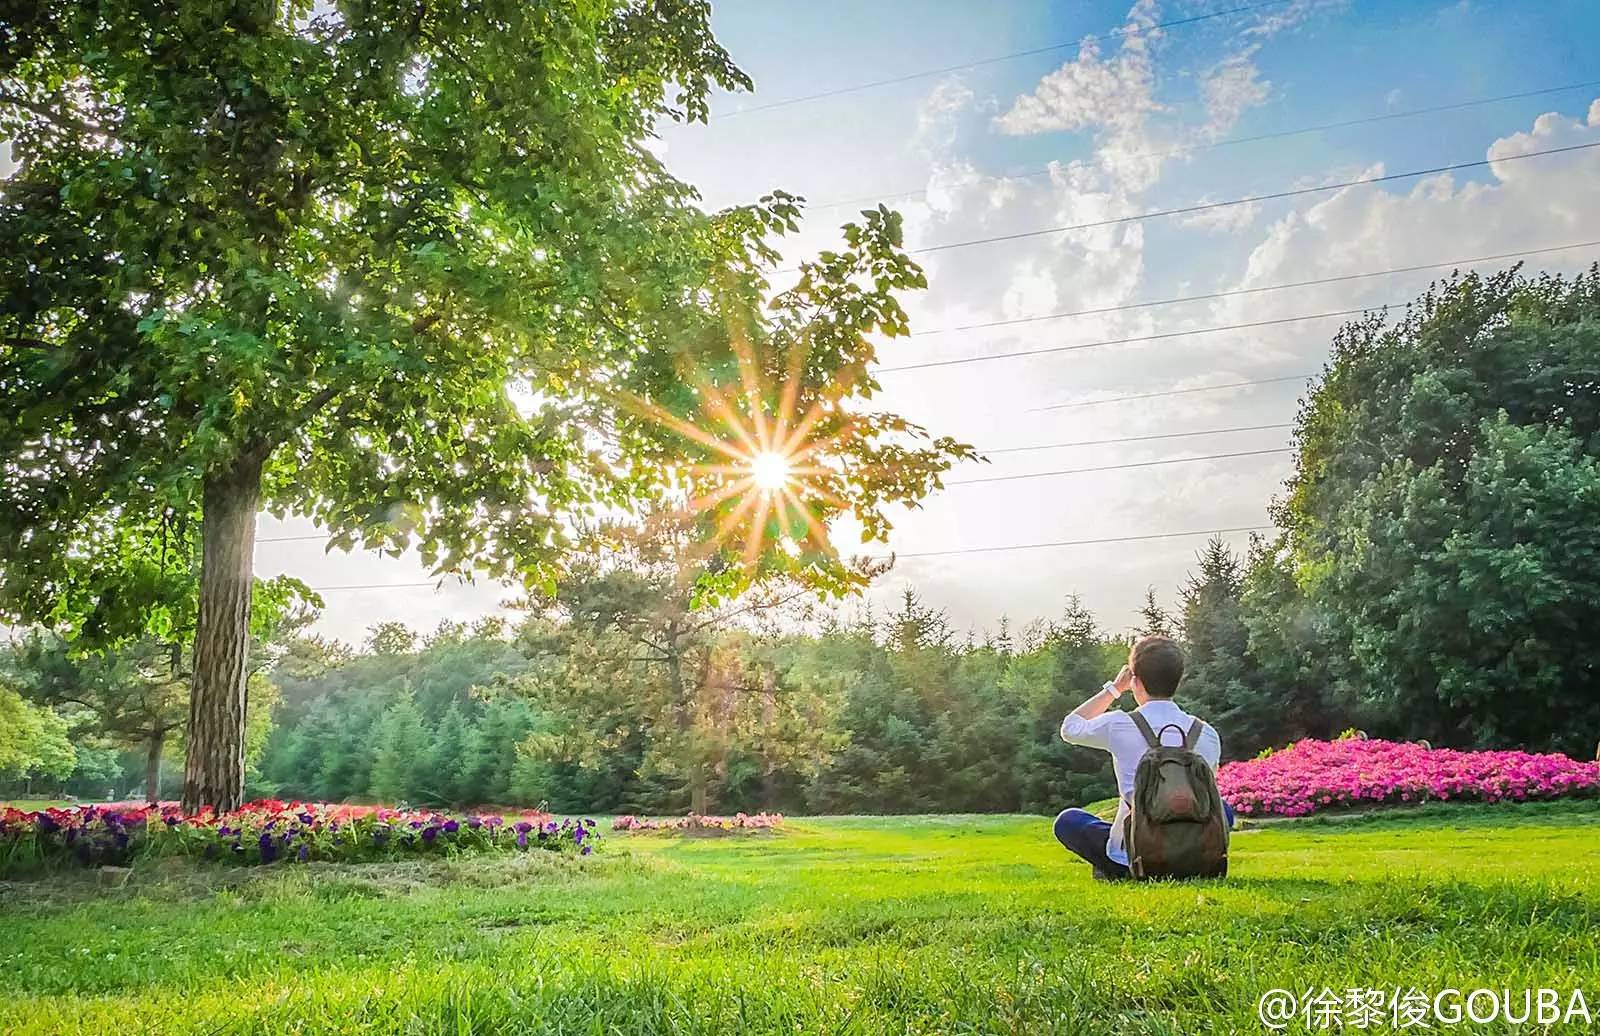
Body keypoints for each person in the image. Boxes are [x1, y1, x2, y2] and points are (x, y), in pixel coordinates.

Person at [1053, 634, 1232, 880]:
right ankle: (1187, 859)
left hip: (1134, 857)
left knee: (1068, 821)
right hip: (1197, 853)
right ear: (1178, 681)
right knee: (1224, 809)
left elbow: (1070, 727)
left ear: (1135, 681)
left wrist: (1114, 689)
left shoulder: (1119, 724)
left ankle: (1117, 868)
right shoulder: (1206, 733)